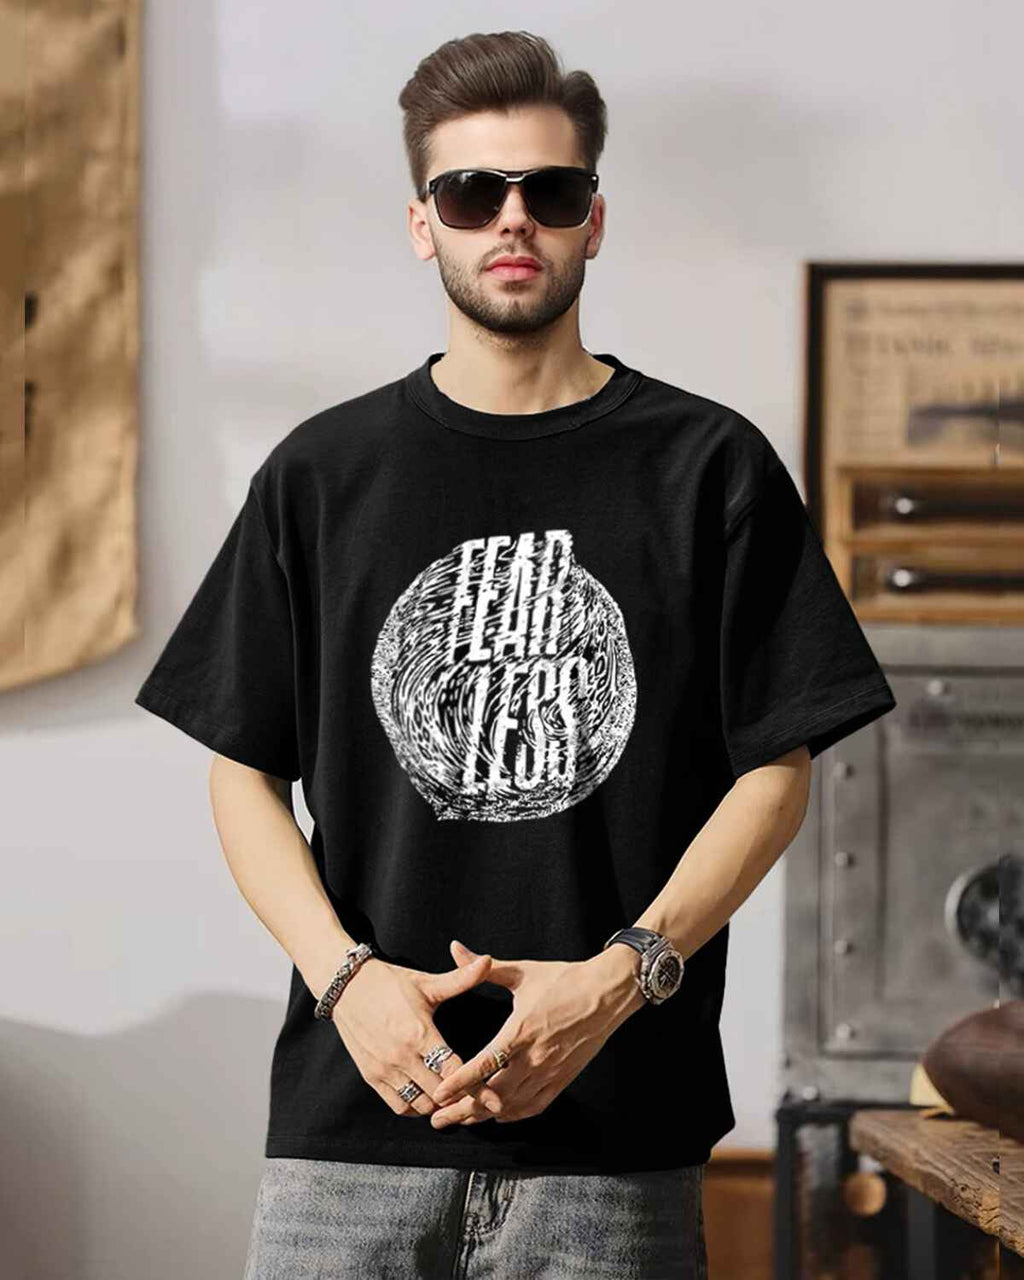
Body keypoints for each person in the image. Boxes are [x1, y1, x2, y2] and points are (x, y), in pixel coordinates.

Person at [134, 28, 897, 1280]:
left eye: (549, 189)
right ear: (420, 223)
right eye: (470, 191)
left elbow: (777, 767)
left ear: (594, 219)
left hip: (613, 1135)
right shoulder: (323, 474)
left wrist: (619, 978)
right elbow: (242, 766)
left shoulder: (709, 469)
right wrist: (347, 982)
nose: (512, 218)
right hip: (353, 1126)